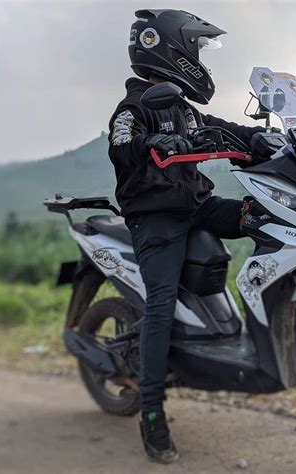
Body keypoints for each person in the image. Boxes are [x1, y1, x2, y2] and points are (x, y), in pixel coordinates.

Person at [108, 9, 267, 464]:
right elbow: (121, 143)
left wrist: (262, 140)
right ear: (171, 49)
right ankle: (152, 413)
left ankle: (256, 344)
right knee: (160, 305)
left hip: (197, 206)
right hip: (155, 219)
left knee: (266, 220)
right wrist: (150, 144)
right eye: (196, 48)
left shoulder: (183, 108)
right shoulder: (134, 106)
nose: (200, 58)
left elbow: (220, 129)